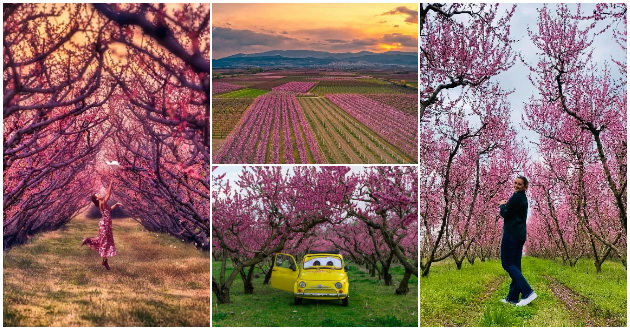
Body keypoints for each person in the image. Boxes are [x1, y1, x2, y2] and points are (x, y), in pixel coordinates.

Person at [498, 175, 537, 306]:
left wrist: (502, 206)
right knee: (515, 265)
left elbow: (506, 214)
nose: (516, 185)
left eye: (519, 184)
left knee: (507, 263)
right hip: (519, 235)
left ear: (525, 186)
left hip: (511, 234)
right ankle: (512, 298)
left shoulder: (517, 197)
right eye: (515, 183)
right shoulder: (522, 198)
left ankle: (528, 292)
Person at [82, 180, 122, 270]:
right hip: (105, 225)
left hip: (106, 224)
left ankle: (89, 241)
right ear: (97, 199)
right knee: (105, 242)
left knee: (104, 241)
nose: (99, 194)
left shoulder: (103, 204)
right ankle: (105, 261)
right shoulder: (102, 203)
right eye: (97, 194)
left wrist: (116, 205)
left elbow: (109, 210)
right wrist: (111, 183)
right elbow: (108, 194)